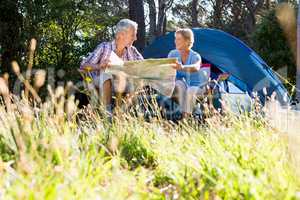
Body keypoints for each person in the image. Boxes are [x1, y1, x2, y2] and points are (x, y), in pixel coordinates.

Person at [80, 19, 143, 114]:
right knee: (106, 74)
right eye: (133, 35)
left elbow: (143, 65)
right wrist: (99, 66)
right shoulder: (104, 47)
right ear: (121, 34)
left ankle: (120, 112)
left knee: (138, 82)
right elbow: (83, 66)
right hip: (100, 82)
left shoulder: (132, 50)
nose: (135, 38)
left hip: (122, 83)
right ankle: (107, 111)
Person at [168, 28, 205, 117]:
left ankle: (185, 118)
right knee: (179, 84)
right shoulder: (173, 54)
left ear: (187, 41)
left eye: (179, 39)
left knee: (190, 90)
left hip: (197, 88)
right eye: (175, 39)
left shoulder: (195, 56)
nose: (176, 41)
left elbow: (196, 67)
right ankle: (187, 113)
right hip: (181, 87)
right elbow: (167, 69)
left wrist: (182, 67)